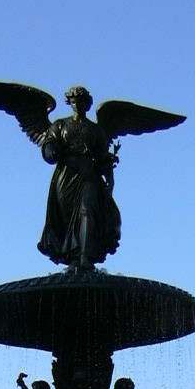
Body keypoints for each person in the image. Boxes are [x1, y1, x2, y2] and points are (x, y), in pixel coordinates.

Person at [37, 85, 121, 271]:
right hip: (65, 176)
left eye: (81, 102)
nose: (78, 105)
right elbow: (49, 142)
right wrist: (50, 149)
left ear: (88, 105)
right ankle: (72, 256)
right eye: (74, 102)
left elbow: (104, 158)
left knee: (87, 211)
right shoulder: (60, 125)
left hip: (88, 174)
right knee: (66, 217)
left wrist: (111, 180)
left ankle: (85, 256)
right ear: (70, 103)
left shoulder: (95, 130)